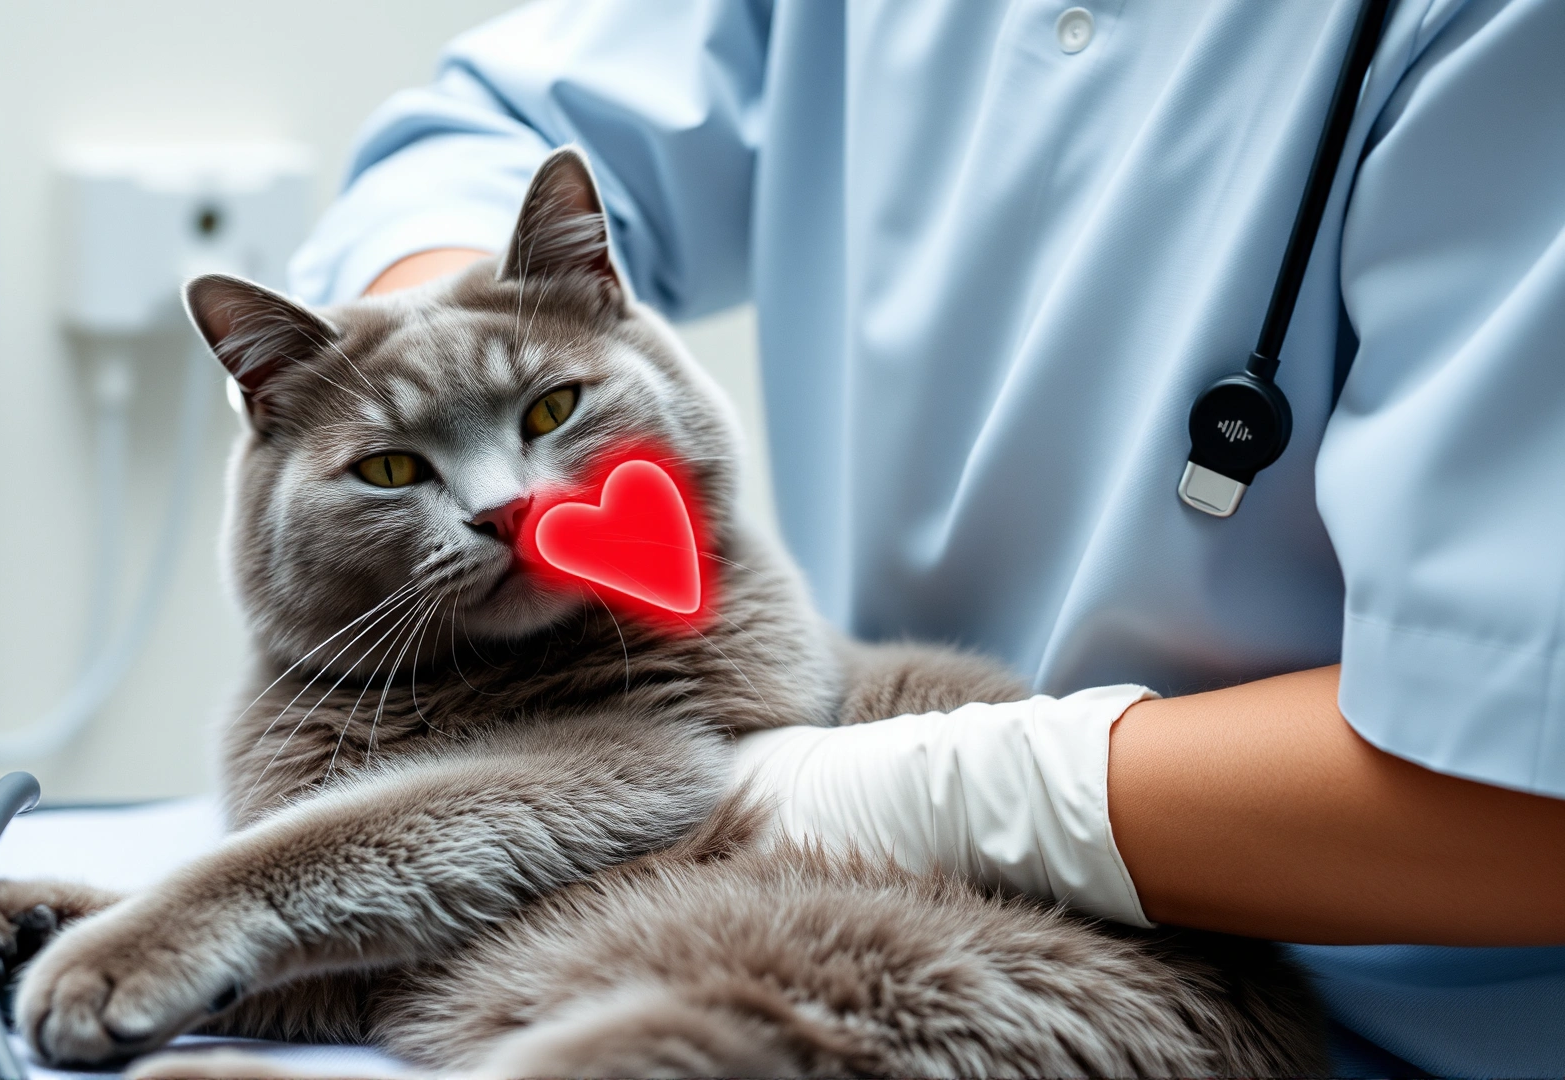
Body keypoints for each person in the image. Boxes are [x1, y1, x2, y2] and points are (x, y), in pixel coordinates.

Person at [285, 1, 1565, 1074]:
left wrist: (901, 794)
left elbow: (1520, 785)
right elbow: (490, 136)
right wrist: (458, 403)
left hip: (1364, 1021)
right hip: (819, 907)